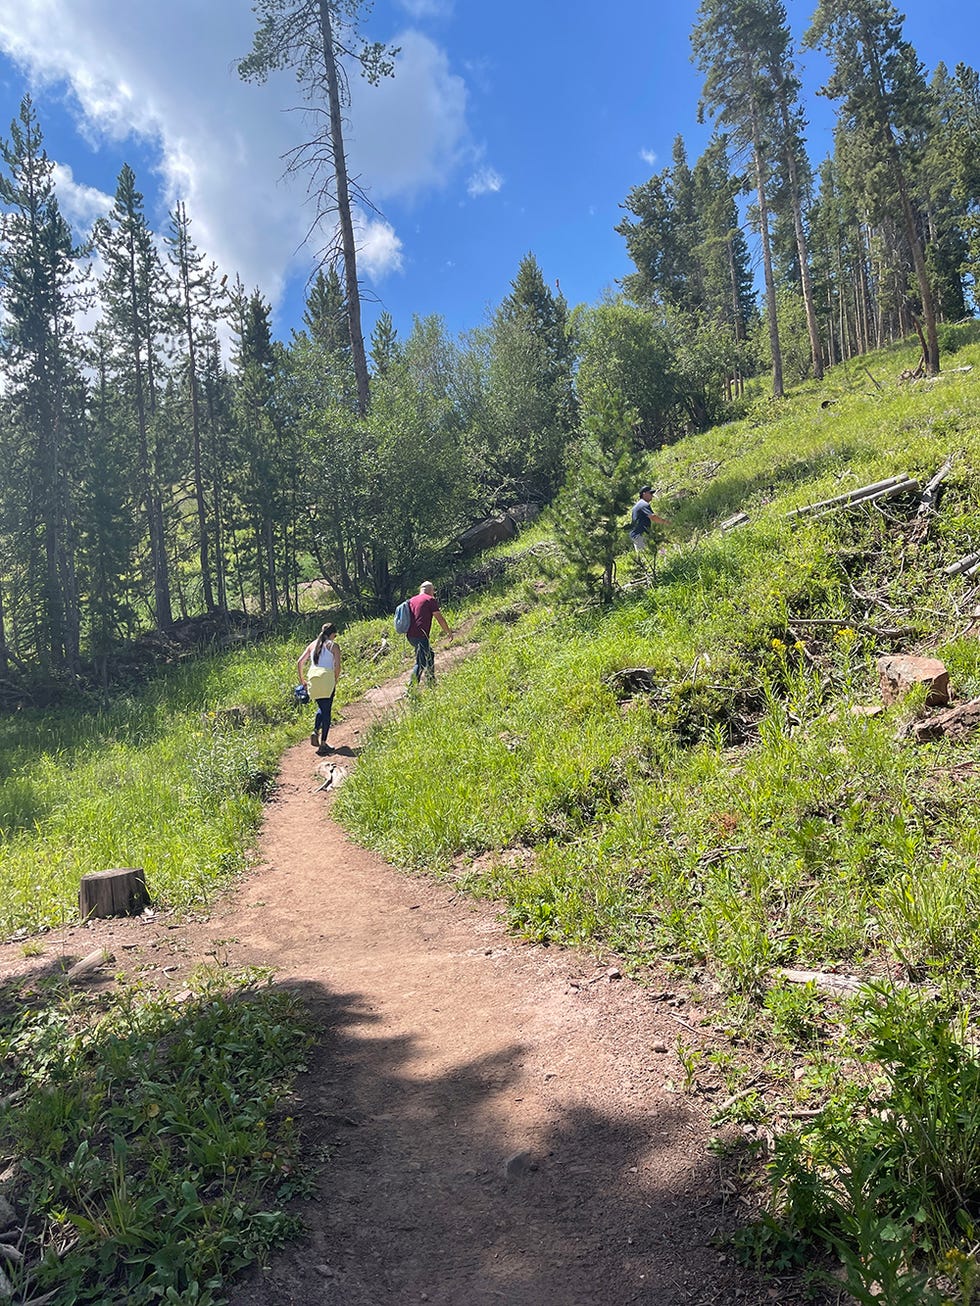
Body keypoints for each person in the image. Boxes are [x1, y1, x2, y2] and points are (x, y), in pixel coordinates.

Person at [296, 622, 341, 755]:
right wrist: (335, 679)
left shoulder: (312, 645)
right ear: (332, 634)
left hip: (313, 679)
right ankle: (323, 743)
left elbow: (299, 662)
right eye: (335, 635)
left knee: (321, 706)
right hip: (327, 679)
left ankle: (315, 730)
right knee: (327, 711)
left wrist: (302, 680)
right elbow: (337, 666)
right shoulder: (333, 646)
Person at [406, 581, 453, 687]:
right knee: (421, 662)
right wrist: (448, 632)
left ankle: (431, 681)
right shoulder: (430, 600)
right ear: (430, 590)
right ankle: (411, 689)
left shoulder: (412, 600)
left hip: (410, 636)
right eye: (433, 590)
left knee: (429, 655)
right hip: (421, 635)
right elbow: (439, 618)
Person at [629, 485, 671, 556]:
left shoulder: (638, 504)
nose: (652, 495)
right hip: (640, 535)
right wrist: (666, 522)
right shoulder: (643, 504)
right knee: (644, 556)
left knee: (646, 555)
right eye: (650, 493)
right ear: (644, 494)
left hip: (639, 534)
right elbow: (653, 517)